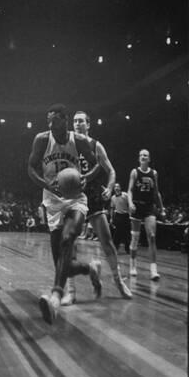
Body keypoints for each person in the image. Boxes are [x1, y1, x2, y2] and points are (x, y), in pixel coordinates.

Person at [28, 103, 102, 325]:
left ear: (65, 120)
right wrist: (47, 184)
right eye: (48, 120)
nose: (50, 124)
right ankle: (90, 268)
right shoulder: (42, 139)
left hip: (75, 200)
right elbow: (30, 168)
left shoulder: (78, 140)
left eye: (54, 120)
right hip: (52, 201)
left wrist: (87, 177)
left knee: (68, 239)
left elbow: (97, 164)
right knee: (63, 263)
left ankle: (55, 299)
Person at [61, 112, 132, 305]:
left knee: (107, 242)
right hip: (74, 198)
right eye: (75, 121)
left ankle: (119, 283)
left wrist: (109, 187)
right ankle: (71, 291)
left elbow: (111, 170)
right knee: (70, 243)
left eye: (81, 121)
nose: (77, 124)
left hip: (93, 196)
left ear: (88, 124)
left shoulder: (95, 145)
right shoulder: (67, 143)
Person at [127, 149, 166, 280]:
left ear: (149, 159)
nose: (143, 157)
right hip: (137, 206)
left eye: (146, 155)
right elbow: (130, 190)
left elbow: (156, 192)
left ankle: (153, 270)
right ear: (139, 158)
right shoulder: (135, 172)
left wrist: (162, 208)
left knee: (152, 236)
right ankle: (132, 266)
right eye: (141, 155)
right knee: (135, 238)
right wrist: (130, 203)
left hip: (149, 207)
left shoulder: (153, 173)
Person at [110, 183, 131, 254]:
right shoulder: (113, 197)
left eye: (118, 186)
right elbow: (112, 208)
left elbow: (129, 205)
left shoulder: (125, 195)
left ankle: (128, 249)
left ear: (120, 188)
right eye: (115, 187)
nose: (116, 188)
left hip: (126, 215)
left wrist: (130, 215)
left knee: (127, 233)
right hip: (118, 216)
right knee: (117, 233)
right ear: (114, 189)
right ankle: (115, 248)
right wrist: (111, 218)